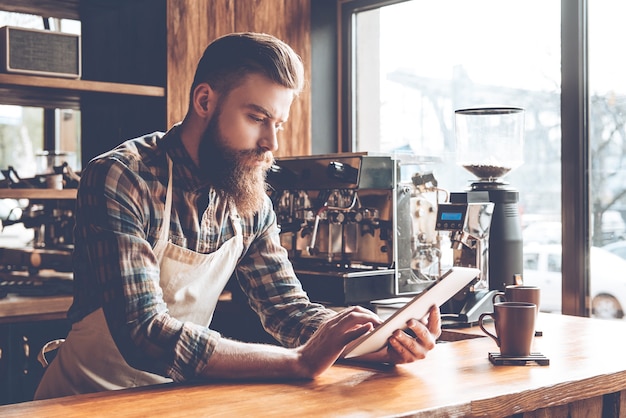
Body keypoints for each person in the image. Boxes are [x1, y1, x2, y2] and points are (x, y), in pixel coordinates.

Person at [34, 32, 441, 400]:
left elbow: (288, 311)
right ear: (205, 101)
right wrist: (298, 362)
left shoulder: (250, 198)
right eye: (257, 118)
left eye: (277, 123)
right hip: (82, 400)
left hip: (172, 400)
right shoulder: (123, 177)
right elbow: (144, 333)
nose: (271, 143)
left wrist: (374, 342)